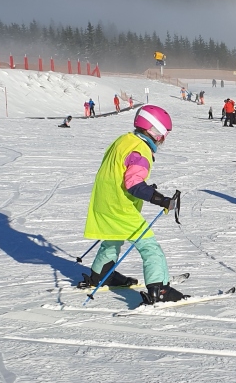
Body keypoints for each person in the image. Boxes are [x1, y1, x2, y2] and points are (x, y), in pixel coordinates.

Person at [79, 105, 185, 304]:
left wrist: (146, 189)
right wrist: (160, 199)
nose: (163, 139)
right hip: (120, 208)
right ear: (152, 130)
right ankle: (159, 290)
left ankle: (100, 275)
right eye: (162, 134)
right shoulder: (141, 150)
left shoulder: (125, 140)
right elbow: (134, 184)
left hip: (104, 202)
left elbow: (121, 172)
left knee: (113, 238)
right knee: (150, 247)